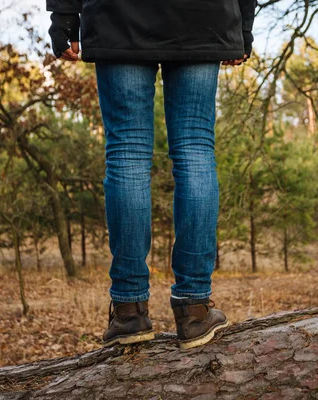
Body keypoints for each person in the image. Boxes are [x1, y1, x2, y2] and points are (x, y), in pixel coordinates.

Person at [46, 0, 256, 350]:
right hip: (203, 16)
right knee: (195, 150)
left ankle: (129, 311)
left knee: (127, 152)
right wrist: (242, 24)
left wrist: (64, 16)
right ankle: (195, 309)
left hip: (119, 16)